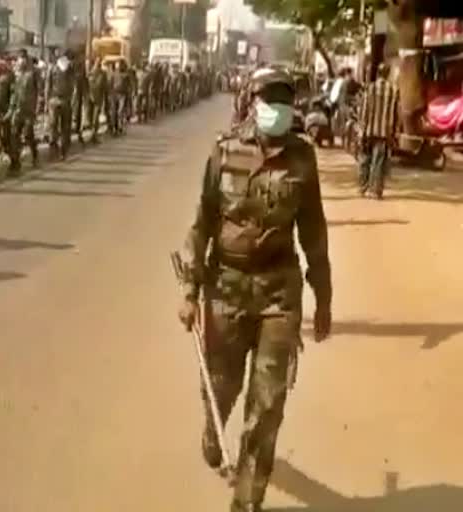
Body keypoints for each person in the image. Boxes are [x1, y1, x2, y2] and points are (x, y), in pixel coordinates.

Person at [178, 67, 332, 512]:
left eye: (284, 100)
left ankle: (247, 502)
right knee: (221, 388)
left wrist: (323, 297)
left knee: (267, 406)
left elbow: (314, 231)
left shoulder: (302, 159)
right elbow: (203, 221)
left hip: (279, 292)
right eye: (269, 99)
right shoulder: (224, 150)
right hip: (225, 288)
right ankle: (213, 429)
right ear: (252, 101)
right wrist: (189, 288)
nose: (276, 108)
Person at [358, 63, 399, 199]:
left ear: (378, 74)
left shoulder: (369, 88)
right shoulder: (393, 90)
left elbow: (364, 111)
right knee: (378, 161)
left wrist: (361, 131)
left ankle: (362, 188)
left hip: (369, 131)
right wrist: (394, 133)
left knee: (365, 159)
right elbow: (395, 114)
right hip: (384, 133)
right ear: (387, 74)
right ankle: (375, 191)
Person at [8, 49, 41, 174]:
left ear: (27, 59)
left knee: (28, 134)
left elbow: (39, 90)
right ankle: (15, 161)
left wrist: (38, 107)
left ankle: (34, 153)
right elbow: (11, 91)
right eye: (19, 58)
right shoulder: (15, 73)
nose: (21, 60)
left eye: (23, 58)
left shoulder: (33, 73)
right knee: (14, 135)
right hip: (17, 109)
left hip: (29, 109)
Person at [45, 48, 76, 160]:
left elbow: (48, 86)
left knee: (56, 126)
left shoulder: (56, 68)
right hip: (61, 100)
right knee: (61, 126)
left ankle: (56, 149)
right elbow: (48, 85)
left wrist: (46, 100)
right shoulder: (67, 69)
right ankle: (60, 149)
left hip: (57, 100)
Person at [0, 54, 15, 178]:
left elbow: (13, 94)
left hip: (4, 112)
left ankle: (14, 161)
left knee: (6, 139)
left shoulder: (9, 76)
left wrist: (11, 110)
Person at [85, 57, 108, 143]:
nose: (97, 64)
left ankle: (93, 134)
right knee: (91, 117)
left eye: (99, 62)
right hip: (91, 98)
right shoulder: (90, 73)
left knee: (94, 117)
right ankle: (92, 133)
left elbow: (105, 87)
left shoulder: (102, 74)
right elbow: (86, 85)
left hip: (97, 98)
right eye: (97, 62)